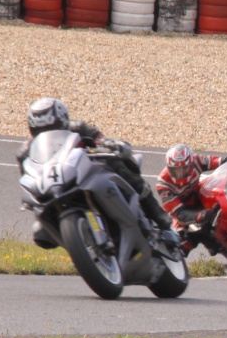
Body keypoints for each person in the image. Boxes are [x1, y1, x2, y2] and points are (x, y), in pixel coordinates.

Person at [16, 98, 174, 248]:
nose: (48, 133)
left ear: (63, 122)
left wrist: (110, 144)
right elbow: (30, 177)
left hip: (85, 174)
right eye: (41, 129)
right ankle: (80, 243)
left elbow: (100, 140)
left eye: (52, 127)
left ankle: (157, 215)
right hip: (57, 188)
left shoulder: (77, 128)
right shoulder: (25, 152)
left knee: (117, 163)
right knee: (40, 228)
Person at [155, 143, 225, 256]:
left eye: (184, 168)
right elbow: (180, 214)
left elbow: (222, 161)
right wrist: (201, 216)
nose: (180, 173)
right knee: (181, 244)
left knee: (216, 188)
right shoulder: (163, 185)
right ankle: (202, 237)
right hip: (180, 209)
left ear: (191, 165)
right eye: (175, 170)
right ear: (168, 167)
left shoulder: (197, 160)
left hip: (198, 196)